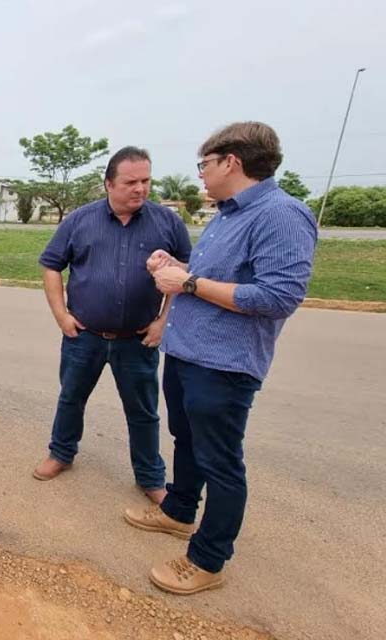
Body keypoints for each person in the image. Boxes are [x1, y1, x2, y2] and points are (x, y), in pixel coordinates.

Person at [124, 122, 317, 595]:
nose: (200, 176)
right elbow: (215, 279)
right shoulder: (229, 214)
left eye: (204, 165)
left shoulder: (282, 214)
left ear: (231, 161)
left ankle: (208, 559)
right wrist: (177, 269)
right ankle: (178, 511)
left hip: (225, 364)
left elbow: (278, 296)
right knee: (185, 439)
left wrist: (187, 284)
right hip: (189, 353)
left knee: (220, 461)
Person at [33, 146, 192, 504]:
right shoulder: (79, 221)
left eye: (146, 180)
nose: (140, 189)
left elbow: (185, 273)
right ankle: (61, 454)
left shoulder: (167, 223)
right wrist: (61, 315)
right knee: (71, 398)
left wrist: (163, 321)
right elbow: (51, 265)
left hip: (137, 340)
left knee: (143, 411)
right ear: (108, 184)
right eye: (130, 182)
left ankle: (150, 477)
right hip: (84, 336)